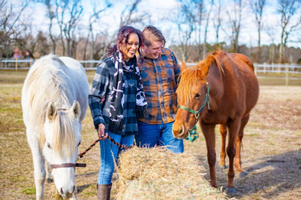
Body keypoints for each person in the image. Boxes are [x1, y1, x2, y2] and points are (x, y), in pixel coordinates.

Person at [89, 26, 148, 200]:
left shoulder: (135, 68)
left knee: (127, 169)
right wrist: (99, 121)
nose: (133, 47)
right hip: (111, 126)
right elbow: (94, 96)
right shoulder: (107, 65)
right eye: (129, 43)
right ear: (121, 42)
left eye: (136, 44)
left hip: (130, 126)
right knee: (107, 167)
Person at [135, 25, 184, 154]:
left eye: (161, 47)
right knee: (147, 162)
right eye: (155, 48)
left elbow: (181, 80)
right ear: (143, 47)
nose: (160, 52)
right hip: (146, 123)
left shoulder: (169, 55)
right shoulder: (135, 61)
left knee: (176, 162)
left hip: (171, 120)